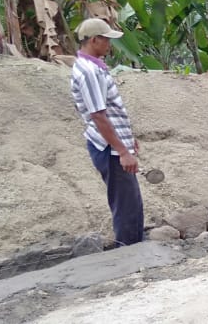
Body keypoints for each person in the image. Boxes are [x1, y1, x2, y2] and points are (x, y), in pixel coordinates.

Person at [70, 18, 144, 247]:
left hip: (112, 145)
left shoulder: (94, 68)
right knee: (126, 203)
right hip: (109, 148)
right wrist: (122, 151)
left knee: (129, 200)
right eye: (107, 40)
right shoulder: (90, 72)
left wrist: (128, 139)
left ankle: (132, 248)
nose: (110, 45)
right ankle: (129, 254)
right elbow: (98, 116)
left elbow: (108, 112)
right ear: (94, 40)